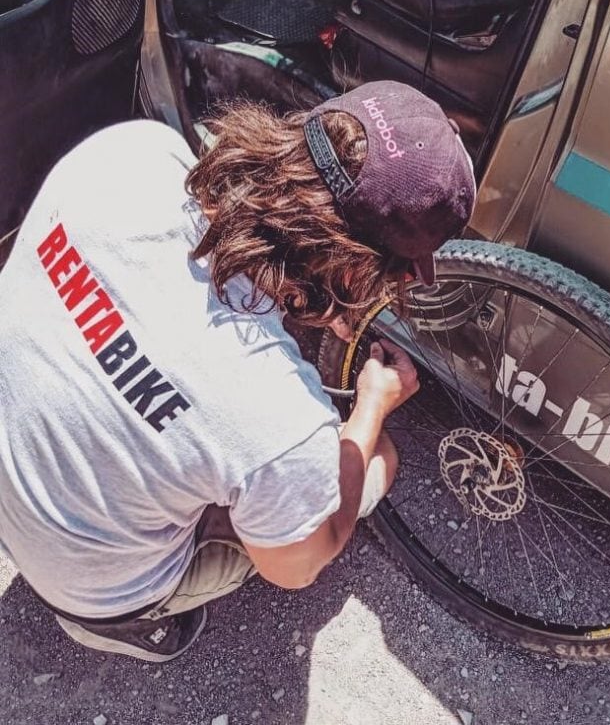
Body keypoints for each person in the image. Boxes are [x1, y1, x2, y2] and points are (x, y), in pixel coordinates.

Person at [0, 81, 476, 662]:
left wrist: (320, 301)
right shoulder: (280, 422)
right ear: (359, 272)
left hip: (18, 459)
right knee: (378, 460)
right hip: (88, 586)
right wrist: (371, 408)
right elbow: (296, 570)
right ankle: (117, 624)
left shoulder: (134, 153)